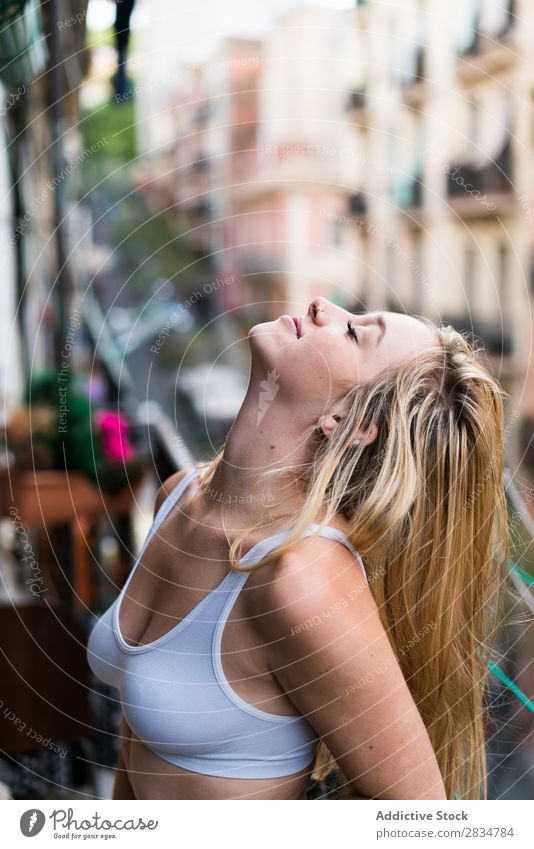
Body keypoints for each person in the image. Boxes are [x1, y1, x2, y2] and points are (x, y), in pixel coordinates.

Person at [87, 296, 509, 800]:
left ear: (348, 420)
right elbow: (134, 739)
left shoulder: (301, 578)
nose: (321, 306)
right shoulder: (179, 495)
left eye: (354, 333)